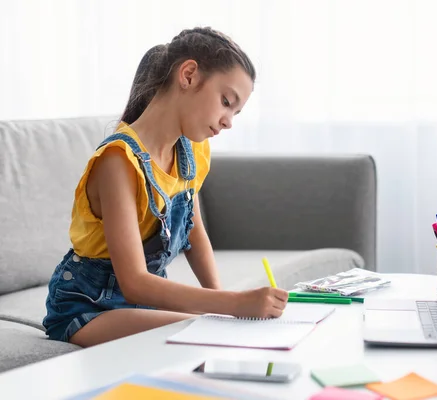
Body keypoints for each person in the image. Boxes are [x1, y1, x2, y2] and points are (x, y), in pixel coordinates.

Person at [42, 27, 289, 348]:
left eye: (236, 112)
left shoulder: (192, 150)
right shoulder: (118, 161)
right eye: (226, 101)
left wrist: (224, 304)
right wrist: (233, 302)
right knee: (207, 333)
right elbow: (134, 282)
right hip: (88, 308)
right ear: (188, 75)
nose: (229, 120)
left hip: (144, 305)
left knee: (225, 327)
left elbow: (193, 232)